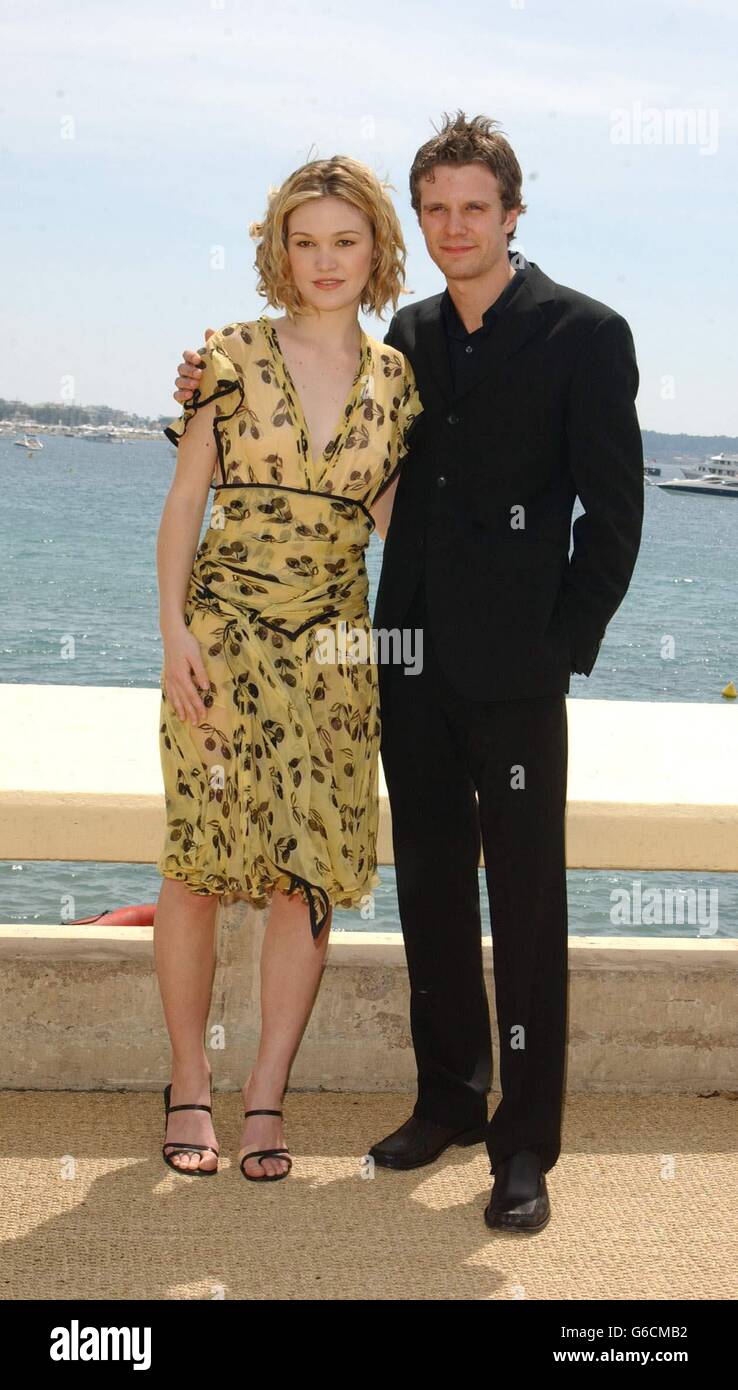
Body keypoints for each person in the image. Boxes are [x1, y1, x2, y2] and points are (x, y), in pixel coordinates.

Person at [172, 111, 644, 1231]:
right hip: (407, 662)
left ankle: (524, 1143)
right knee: (432, 891)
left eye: (474, 208)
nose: (453, 227)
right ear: (417, 222)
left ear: (512, 214)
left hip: (520, 677)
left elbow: (614, 518)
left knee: (526, 909)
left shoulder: (587, 332)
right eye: (435, 209)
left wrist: (558, 648)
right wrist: (194, 390)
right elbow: (331, 448)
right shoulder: (410, 342)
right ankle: (449, 1100)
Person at [155, 155, 422, 1182]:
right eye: (306, 241)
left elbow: (402, 523)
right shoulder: (226, 355)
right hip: (219, 643)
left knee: (304, 877)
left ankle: (265, 1094)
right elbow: (185, 501)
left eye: (344, 241)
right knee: (196, 862)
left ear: (374, 253)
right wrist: (173, 631)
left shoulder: (398, 381)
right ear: (280, 249)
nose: (325, 260)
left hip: (336, 662)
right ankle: (189, 1082)